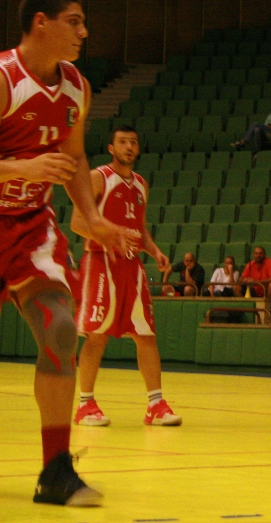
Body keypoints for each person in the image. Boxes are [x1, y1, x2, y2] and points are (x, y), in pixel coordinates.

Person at [0, 0, 135, 506]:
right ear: (41, 22)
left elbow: (75, 158)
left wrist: (93, 218)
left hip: (30, 225)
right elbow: (38, 164)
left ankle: (56, 471)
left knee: (60, 328)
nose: (84, 31)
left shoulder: (77, 86)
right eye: (74, 21)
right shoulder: (5, 78)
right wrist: (23, 167)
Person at [73, 126, 182, 429]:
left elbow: (140, 228)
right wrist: (107, 237)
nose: (129, 146)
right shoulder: (98, 177)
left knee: (146, 335)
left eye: (133, 142)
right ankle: (85, 404)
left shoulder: (141, 184)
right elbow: (78, 223)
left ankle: (155, 405)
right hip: (101, 262)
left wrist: (155, 251)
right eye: (122, 142)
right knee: (97, 336)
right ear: (111, 148)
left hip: (132, 267)